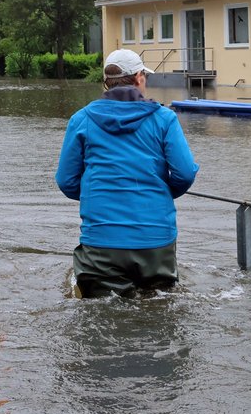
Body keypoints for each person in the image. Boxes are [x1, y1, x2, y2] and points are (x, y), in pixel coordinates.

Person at [55, 48, 198, 296]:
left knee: (99, 314)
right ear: (140, 77)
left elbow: (66, 181)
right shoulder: (164, 119)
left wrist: (98, 194)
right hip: (155, 239)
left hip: (101, 240)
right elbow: (184, 174)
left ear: (105, 83)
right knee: (158, 308)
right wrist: (160, 193)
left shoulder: (81, 120)